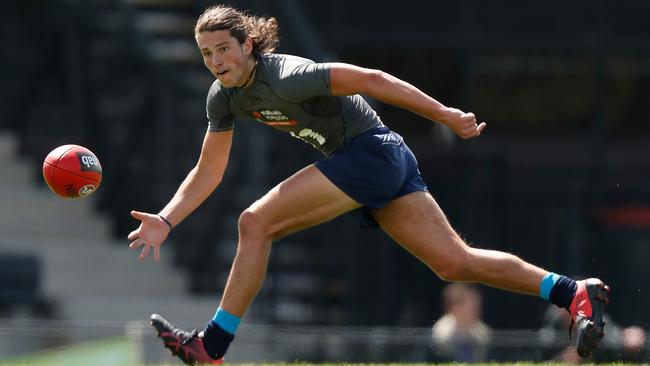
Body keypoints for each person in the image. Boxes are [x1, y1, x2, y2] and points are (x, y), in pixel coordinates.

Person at [127, 5, 611, 365]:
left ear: (248, 45)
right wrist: (167, 218)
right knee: (453, 262)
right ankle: (573, 292)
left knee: (255, 223)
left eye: (223, 49)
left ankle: (213, 346)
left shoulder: (289, 75)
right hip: (384, 157)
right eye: (206, 53)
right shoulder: (223, 97)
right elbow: (208, 169)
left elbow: (373, 78)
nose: (214, 60)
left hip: (369, 154)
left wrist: (444, 114)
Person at [431, 283, 491, 363]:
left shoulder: (483, 333)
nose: (476, 308)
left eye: (477, 303)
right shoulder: (440, 334)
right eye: (471, 303)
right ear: (454, 306)